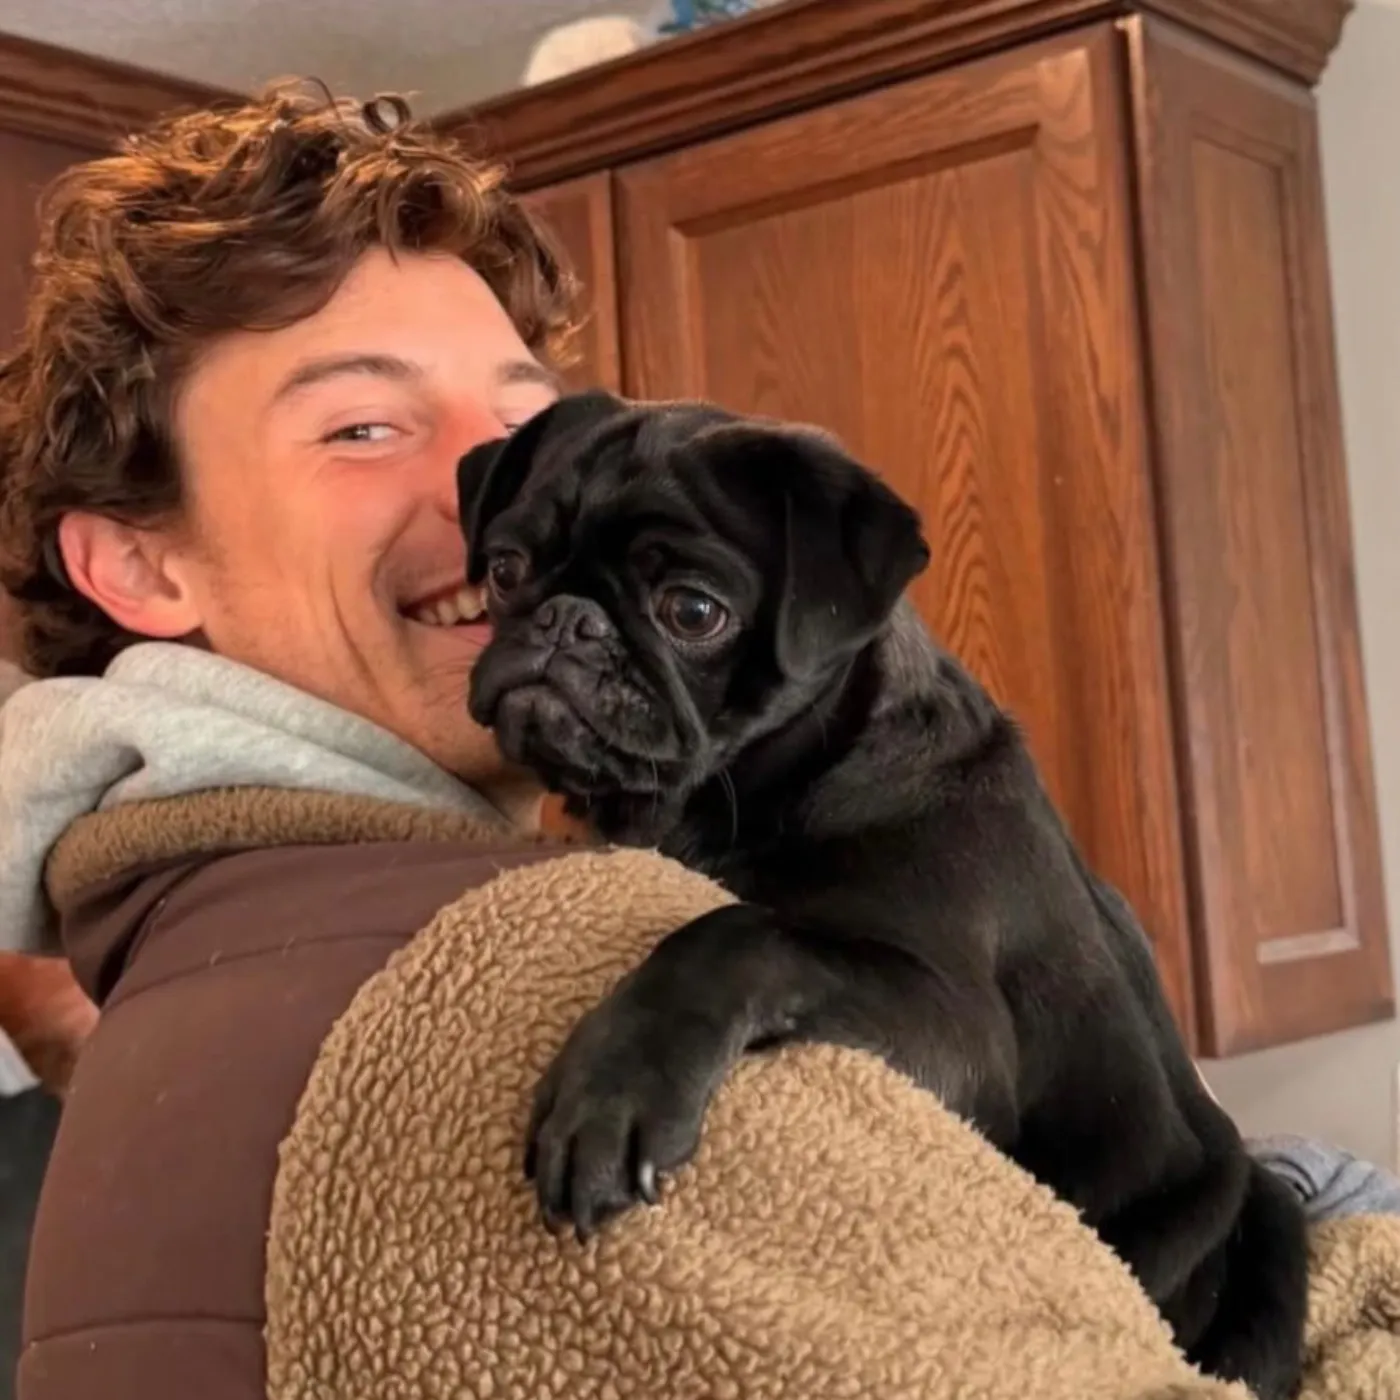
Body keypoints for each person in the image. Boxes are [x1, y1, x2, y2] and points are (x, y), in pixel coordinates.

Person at [0, 82, 1396, 1400]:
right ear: (138, 564)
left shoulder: (198, 933)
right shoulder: (535, 975)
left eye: (517, 420)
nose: (473, 499)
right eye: (361, 426)